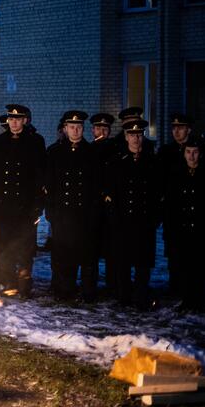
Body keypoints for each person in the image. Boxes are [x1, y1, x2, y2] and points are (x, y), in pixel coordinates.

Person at [0, 104, 46, 297]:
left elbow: (39, 175)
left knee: (25, 247)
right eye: (11, 119)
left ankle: (24, 283)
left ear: (25, 120)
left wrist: (37, 205)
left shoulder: (35, 142)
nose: (13, 123)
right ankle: (8, 282)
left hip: (25, 205)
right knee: (4, 245)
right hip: (4, 204)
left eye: (17, 119)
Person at [104, 119, 159, 310]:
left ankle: (141, 297)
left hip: (144, 221)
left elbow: (156, 194)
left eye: (139, 135)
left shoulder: (152, 162)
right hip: (123, 221)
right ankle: (124, 296)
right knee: (123, 263)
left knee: (143, 264)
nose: (136, 138)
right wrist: (115, 219)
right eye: (132, 135)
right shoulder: (117, 162)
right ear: (126, 137)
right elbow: (110, 194)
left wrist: (154, 219)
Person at [45, 111, 99, 301]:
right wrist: (51, 213)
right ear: (65, 129)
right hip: (62, 214)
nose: (75, 130)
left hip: (83, 214)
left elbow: (95, 186)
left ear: (83, 129)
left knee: (86, 255)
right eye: (71, 127)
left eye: (79, 127)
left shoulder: (92, 153)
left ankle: (87, 292)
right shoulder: (54, 152)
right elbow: (50, 186)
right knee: (63, 254)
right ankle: (63, 290)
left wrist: (92, 213)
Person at [162, 138, 205, 311]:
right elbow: (170, 205)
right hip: (182, 229)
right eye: (188, 152)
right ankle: (187, 300)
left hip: (201, 229)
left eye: (195, 152)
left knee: (200, 267)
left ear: (200, 154)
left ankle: (200, 300)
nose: (191, 156)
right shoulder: (176, 174)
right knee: (185, 266)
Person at [89, 112, 117, 294]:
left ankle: (112, 284)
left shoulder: (116, 149)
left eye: (105, 128)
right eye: (98, 128)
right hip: (92, 206)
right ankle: (90, 284)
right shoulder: (88, 149)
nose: (101, 131)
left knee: (112, 248)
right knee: (91, 247)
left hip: (111, 206)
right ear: (92, 130)